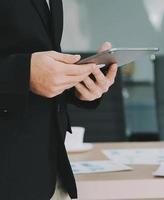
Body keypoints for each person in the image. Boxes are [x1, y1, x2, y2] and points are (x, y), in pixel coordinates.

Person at [0, 0, 118, 199]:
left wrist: (78, 83)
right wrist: (23, 73)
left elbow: (33, 54)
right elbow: (25, 69)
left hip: (46, 174)